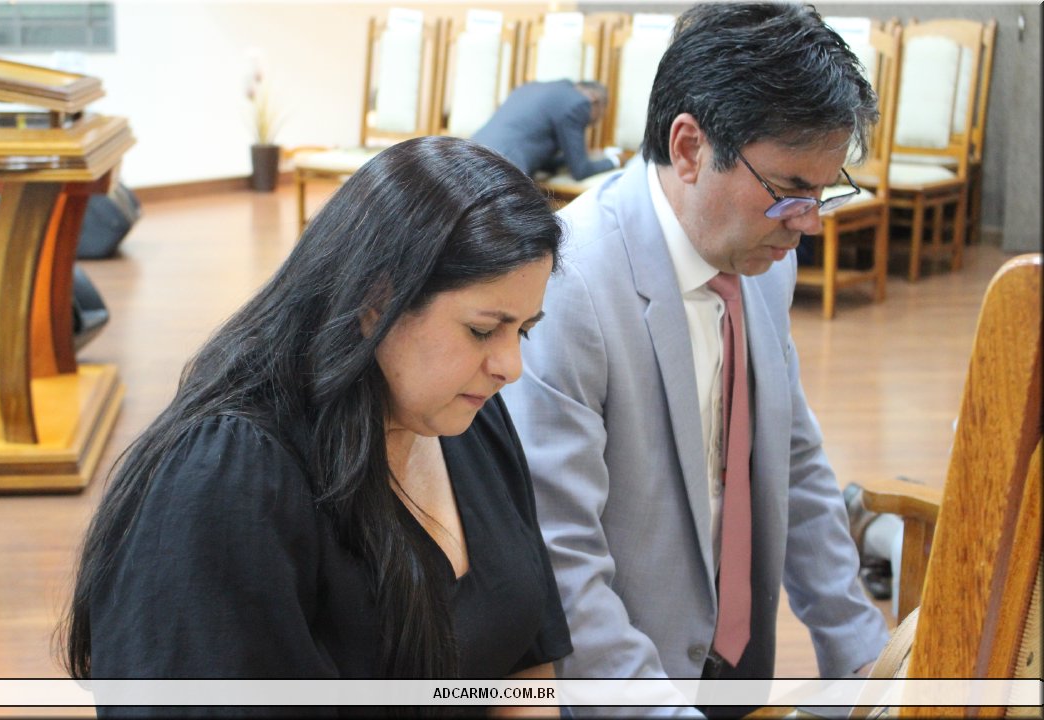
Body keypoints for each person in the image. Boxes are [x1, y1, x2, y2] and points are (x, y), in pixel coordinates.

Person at [60, 136, 571, 716]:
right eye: (483, 330)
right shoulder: (230, 479)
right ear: (377, 301)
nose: (510, 366)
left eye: (523, 330)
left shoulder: (467, 413)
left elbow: (526, 661)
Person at [500, 3, 890, 714]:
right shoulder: (571, 284)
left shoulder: (763, 258)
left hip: (734, 660)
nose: (808, 225)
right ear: (688, 148)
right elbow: (562, 559)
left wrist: (862, 654)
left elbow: (791, 455)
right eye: (790, 191)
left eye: (824, 192)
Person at [471, 80, 621, 182]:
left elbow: (537, 153)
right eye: (602, 113)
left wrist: (575, 158)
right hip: (501, 171)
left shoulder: (531, 88)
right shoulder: (578, 103)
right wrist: (615, 160)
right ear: (595, 100)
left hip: (471, 154)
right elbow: (581, 171)